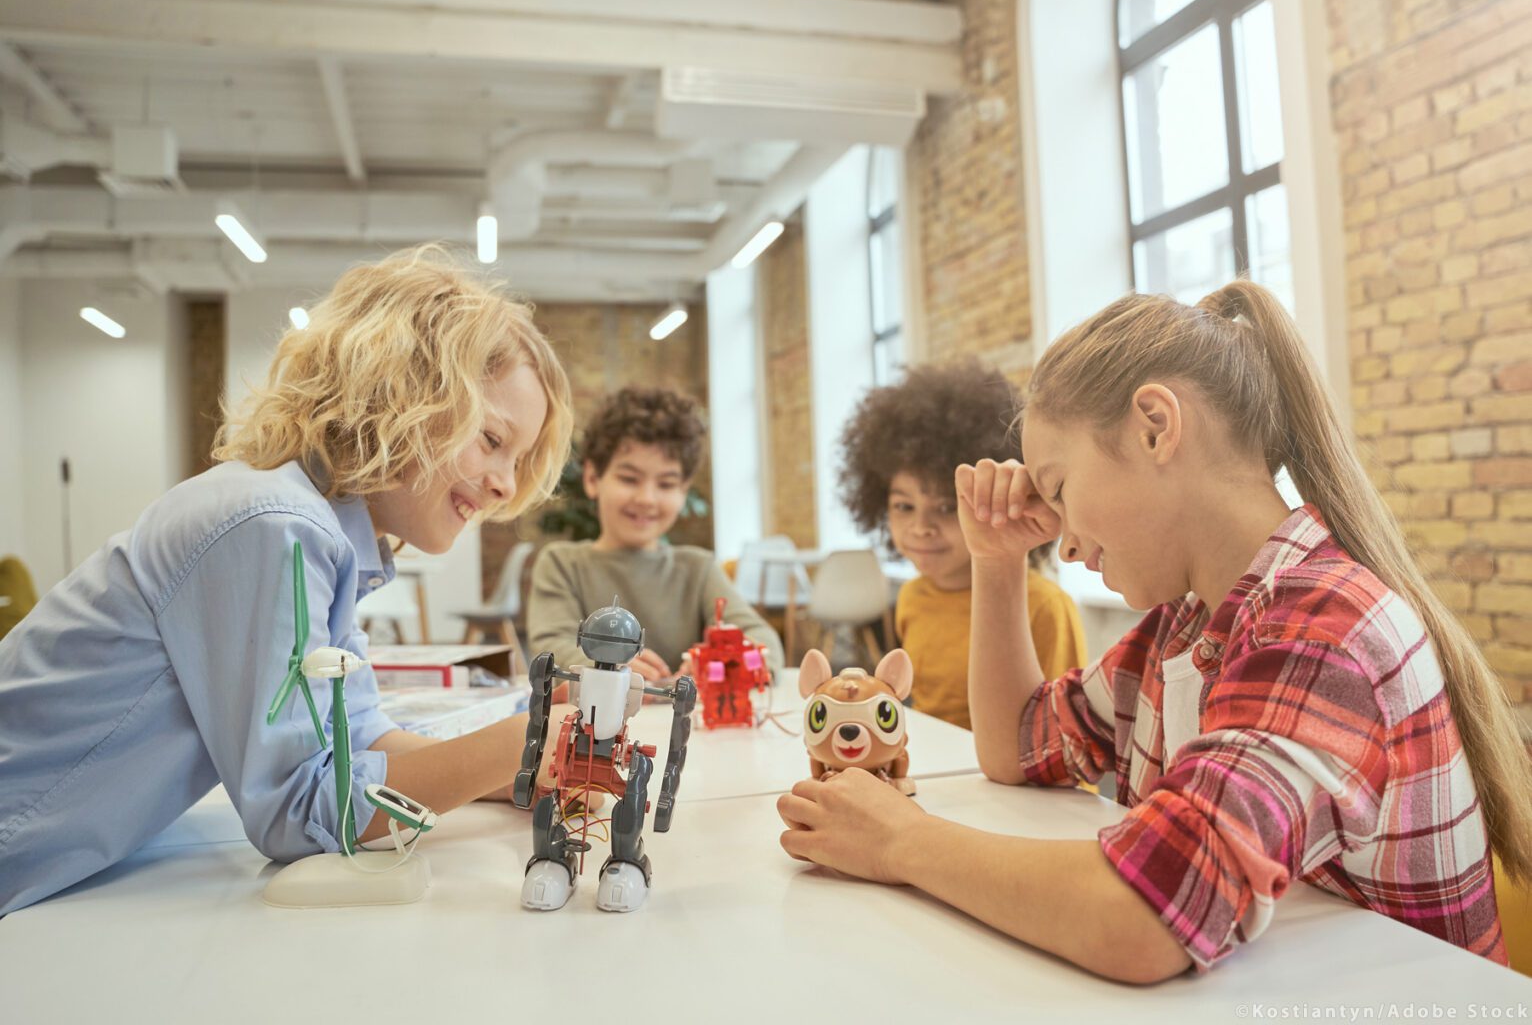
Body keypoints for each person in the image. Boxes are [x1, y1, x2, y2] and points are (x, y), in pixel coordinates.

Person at [778, 281, 1531, 982]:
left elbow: (1149, 916)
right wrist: (998, 563)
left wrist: (900, 842)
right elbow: (1019, 744)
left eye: (1061, 490)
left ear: (1155, 427)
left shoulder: (1320, 627)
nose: (1064, 542)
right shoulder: (1189, 622)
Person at [0, 244, 573, 915]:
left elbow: (357, 736)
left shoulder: (314, 524)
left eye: (520, 458)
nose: (506, 484)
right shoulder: (272, 526)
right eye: (492, 440)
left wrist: (517, 767)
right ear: (406, 394)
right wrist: (520, 742)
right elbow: (300, 813)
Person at [837, 361, 1085, 728]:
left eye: (947, 507)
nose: (921, 528)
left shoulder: (1045, 607)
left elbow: (1070, 736)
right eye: (904, 506)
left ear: (992, 501)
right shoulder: (912, 598)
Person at [528, 385, 782, 685]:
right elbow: (550, 653)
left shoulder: (697, 568)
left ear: (683, 491)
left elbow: (763, 643)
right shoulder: (562, 564)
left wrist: (725, 665)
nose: (647, 498)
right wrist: (606, 670)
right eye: (629, 478)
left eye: (666, 484)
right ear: (593, 478)